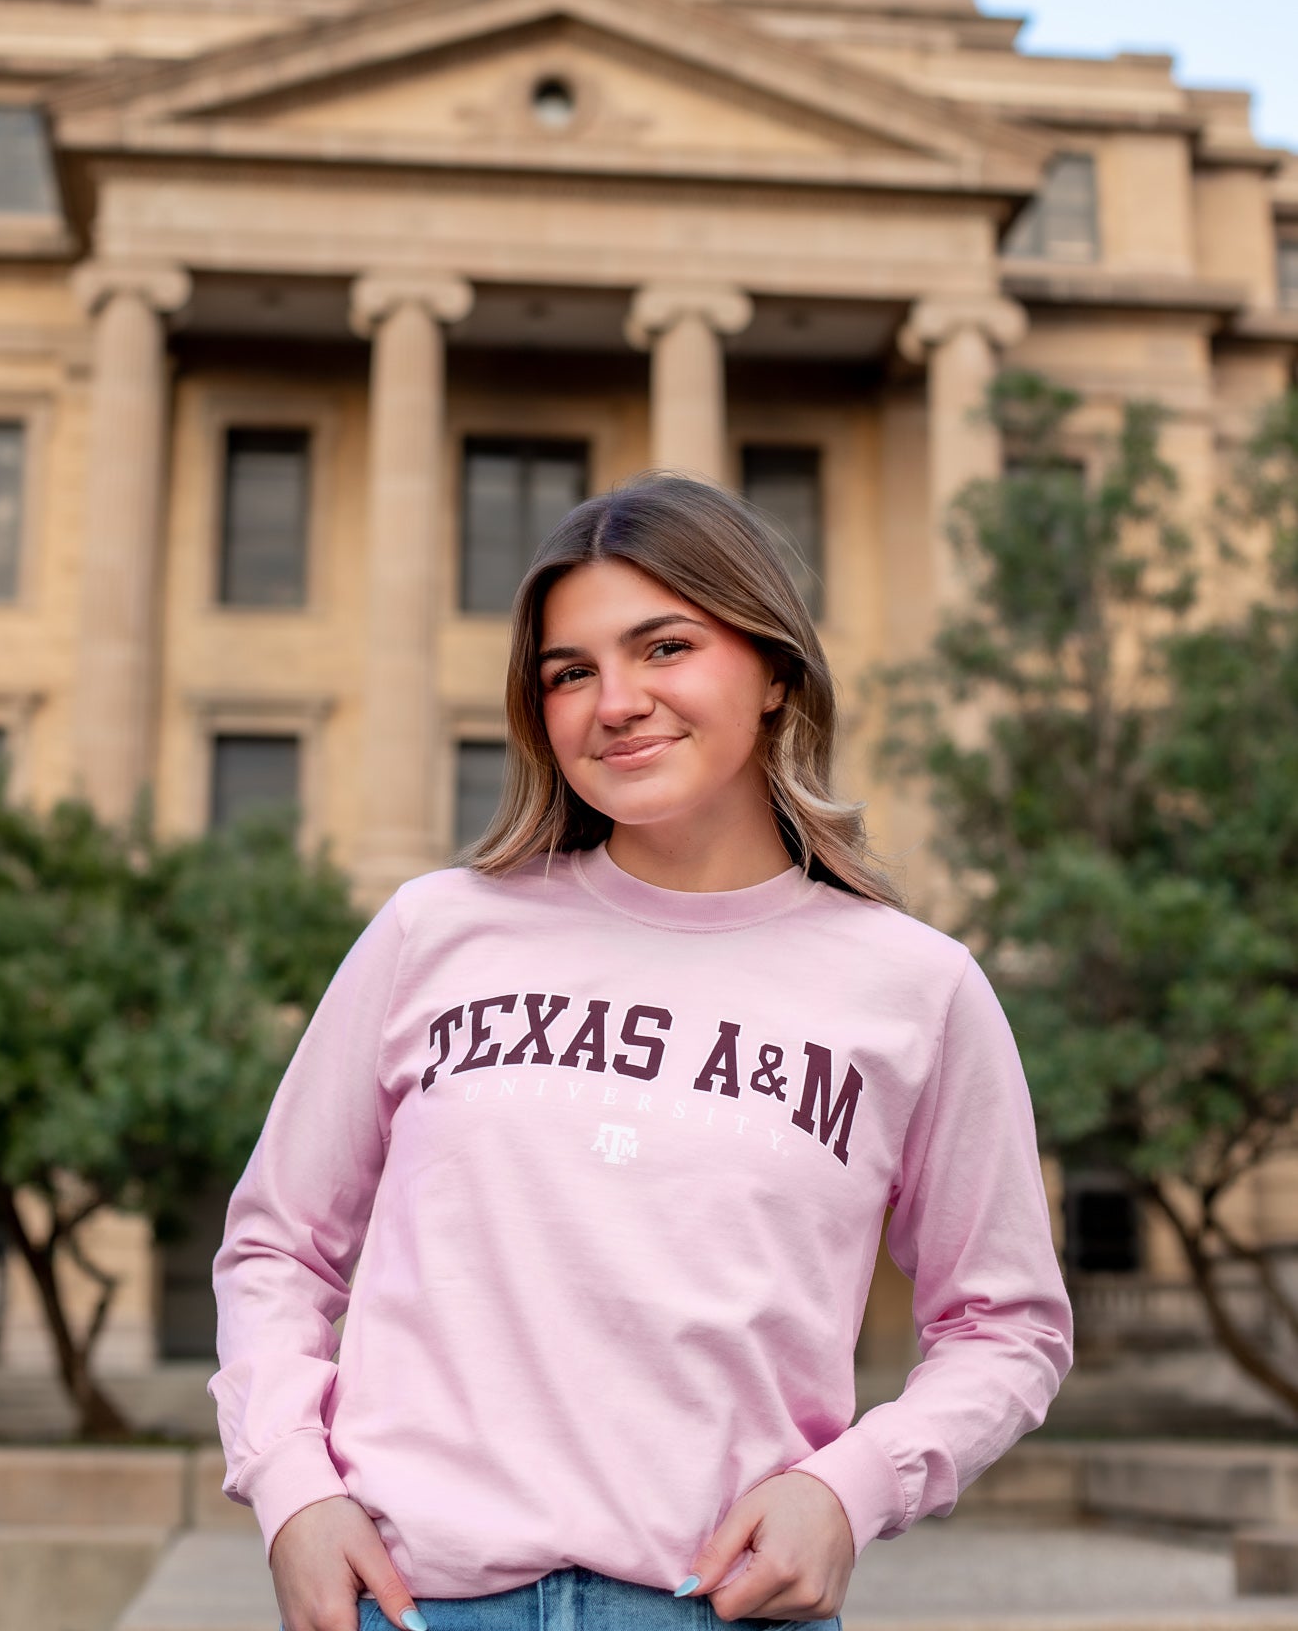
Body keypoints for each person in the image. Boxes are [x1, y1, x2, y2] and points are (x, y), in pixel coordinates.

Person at [210, 471, 1073, 1631]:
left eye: (664, 647)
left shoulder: (917, 989)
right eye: (570, 671)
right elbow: (276, 1243)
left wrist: (847, 1487)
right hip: (421, 1605)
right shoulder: (435, 931)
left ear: (773, 672)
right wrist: (294, 1490)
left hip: (716, 1609)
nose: (614, 701)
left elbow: (1005, 1324)